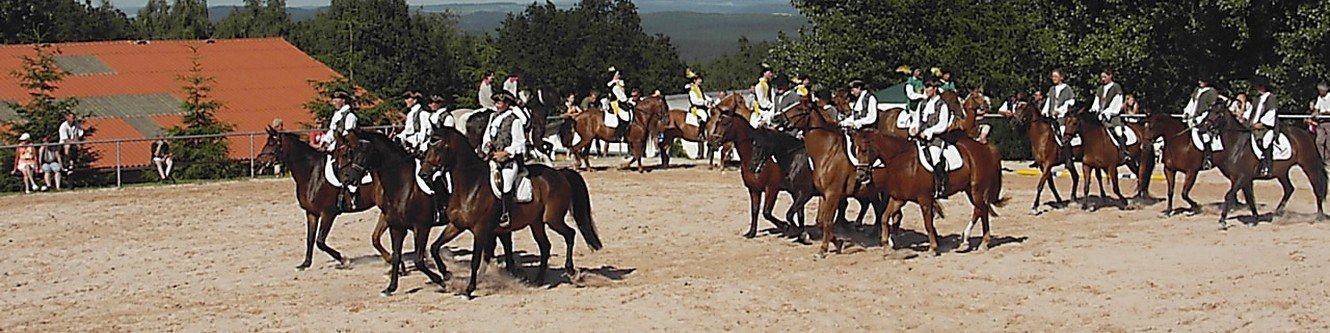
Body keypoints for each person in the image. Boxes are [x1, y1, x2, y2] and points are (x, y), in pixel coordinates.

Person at [480, 91, 528, 227]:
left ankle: (505, 213)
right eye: (495, 102)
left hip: (508, 161)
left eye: (499, 102)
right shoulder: (492, 117)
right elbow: (486, 135)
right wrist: (487, 144)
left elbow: (519, 143)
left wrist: (506, 152)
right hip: (492, 157)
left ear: (507, 104)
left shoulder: (515, 121)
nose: (497, 105)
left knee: (506, 183)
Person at [910, 79, 953, 198]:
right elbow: (916, 120)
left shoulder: (942, 105)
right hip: (921, 137)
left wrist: (929, 131)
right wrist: (913, 129)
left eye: (929, 87)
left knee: (934, 158)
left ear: (934, 89)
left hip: (936, 138)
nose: (926, 89)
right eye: (926, 87)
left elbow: (942, 125)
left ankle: (942, 185)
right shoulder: (922, 104)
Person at [1241, 79, 1279, 177]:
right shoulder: (1257, 98)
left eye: (1259, 87)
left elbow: (1271, 113)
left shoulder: (1271, 98)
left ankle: (1267, 166)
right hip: (1253, 125)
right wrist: (1244, 117)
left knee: (1264, 142)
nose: (1257, 89)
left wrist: (1262, 123)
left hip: (1266, 127)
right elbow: (1251, 110)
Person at [1089, 69, 1128, 159]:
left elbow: (1117, 102)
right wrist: (1094, 109)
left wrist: (1108, 111)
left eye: (1105, 77)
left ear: (1110, 76)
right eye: (1102, 77)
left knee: (1118, 130)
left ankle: (1124, 151)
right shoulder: (1100, 89)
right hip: (1101, 116)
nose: (1103, 79)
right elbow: (1096, 101)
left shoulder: (1116, 87)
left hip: (1113, 116)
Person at [1183, 77, 1219, 169]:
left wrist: (1200, 119)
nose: (1200, 82)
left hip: (1204, 118)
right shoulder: (1197, 90)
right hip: (1191, 118)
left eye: (1202, 80)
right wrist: (1186, 112)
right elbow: (1191, 103)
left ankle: (1207, 158)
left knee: (1205, 137)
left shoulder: (1212, 92)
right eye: (1199, 80)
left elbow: (1210, 109)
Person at [1042, 69, 1076, 142]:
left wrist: (1059, 111)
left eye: (1055, 76)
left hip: (1062, 118)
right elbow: (1048, 101)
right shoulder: (1052, 89)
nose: (1053, 78)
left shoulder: (1067, 89)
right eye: (1053, 76)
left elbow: (1070, 102)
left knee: (1063, 135)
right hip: (1051, 118)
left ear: (1061, 77)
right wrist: (1044, 112)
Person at [607, 67, 633, 141]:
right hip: (615, 103)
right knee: (625, 117)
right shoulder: (612, 84)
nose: (619, 76)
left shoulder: (621, 83)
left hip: (622, 102)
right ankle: (619, 134)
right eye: (617, 74)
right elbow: (619, 95)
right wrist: (625, 101)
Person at [1305, 84, 1330, 158]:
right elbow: (1316, 108)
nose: (1319, 92)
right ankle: (1324, 158)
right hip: (1321, 122)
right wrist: (1312, 115)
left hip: (1328, 121)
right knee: (1319, 142)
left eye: (1320, 91)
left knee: (1329, 142)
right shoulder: (1319, 98)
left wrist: (1321, 113)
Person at [750, 64, 775, 128]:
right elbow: (762, 102)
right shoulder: (759, 86)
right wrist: (771, 105)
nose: (771, 74)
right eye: (769, 72)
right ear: (764, 73)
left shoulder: (768, 84)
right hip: (762, 110)